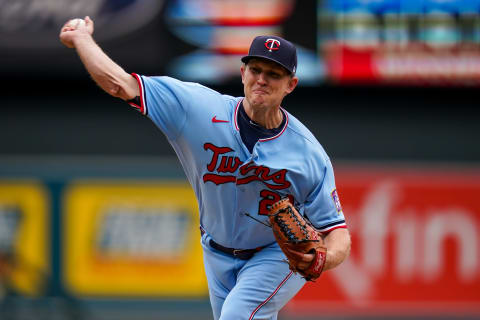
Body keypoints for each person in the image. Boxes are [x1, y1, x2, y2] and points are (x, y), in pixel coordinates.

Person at [59, 16, 351, 320]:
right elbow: (120, 84)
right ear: (242, 73)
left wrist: (325, 258)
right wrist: (82, 38)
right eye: (256, 69)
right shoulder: (197, 108)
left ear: (290, 84)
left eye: (274, 74)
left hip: (275, 255)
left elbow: (337, 231)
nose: (262, 79)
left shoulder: (307, 152)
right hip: (216, 250)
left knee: (237, 316)